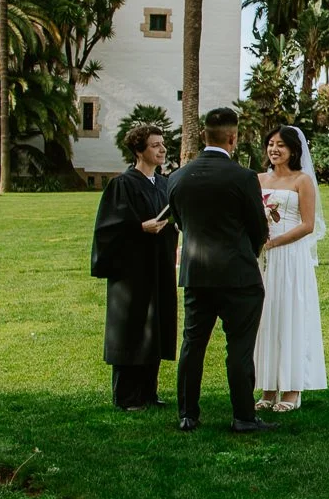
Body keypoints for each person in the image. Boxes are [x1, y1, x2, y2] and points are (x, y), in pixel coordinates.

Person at [165, 107, 274, 434]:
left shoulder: (177, 178)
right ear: (233, 137)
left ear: (203, 135)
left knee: (192, 344)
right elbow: (258, 228)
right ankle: (243, 416)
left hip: (197, 273)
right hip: (238, 275)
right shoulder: (243, 177)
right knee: (239, 347)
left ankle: (187, 414)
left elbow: (180, 222)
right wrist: (247, 252)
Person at [90, 124, 177, 410]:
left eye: (162, 144)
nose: (162, 149)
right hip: (130, 269)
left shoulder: (164, 184)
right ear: (139, 151)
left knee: (154, 326)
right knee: (132, 327)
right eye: (155, 145)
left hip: (158, 264)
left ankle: (149, 392)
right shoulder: (122, 185)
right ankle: (127, 396)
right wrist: (140, 227)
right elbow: (108, 229)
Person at [255, 125, 328, 411]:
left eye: (281, 145)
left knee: (289, 315)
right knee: (265, 317)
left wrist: (274, 242)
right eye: (271, 144)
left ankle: (292, 389)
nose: (274, 149)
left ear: (293, 150)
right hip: (263, 257)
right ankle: (268, 386)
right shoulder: (259, 179)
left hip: (290, 256)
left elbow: (308, 225)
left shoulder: (302, 181)